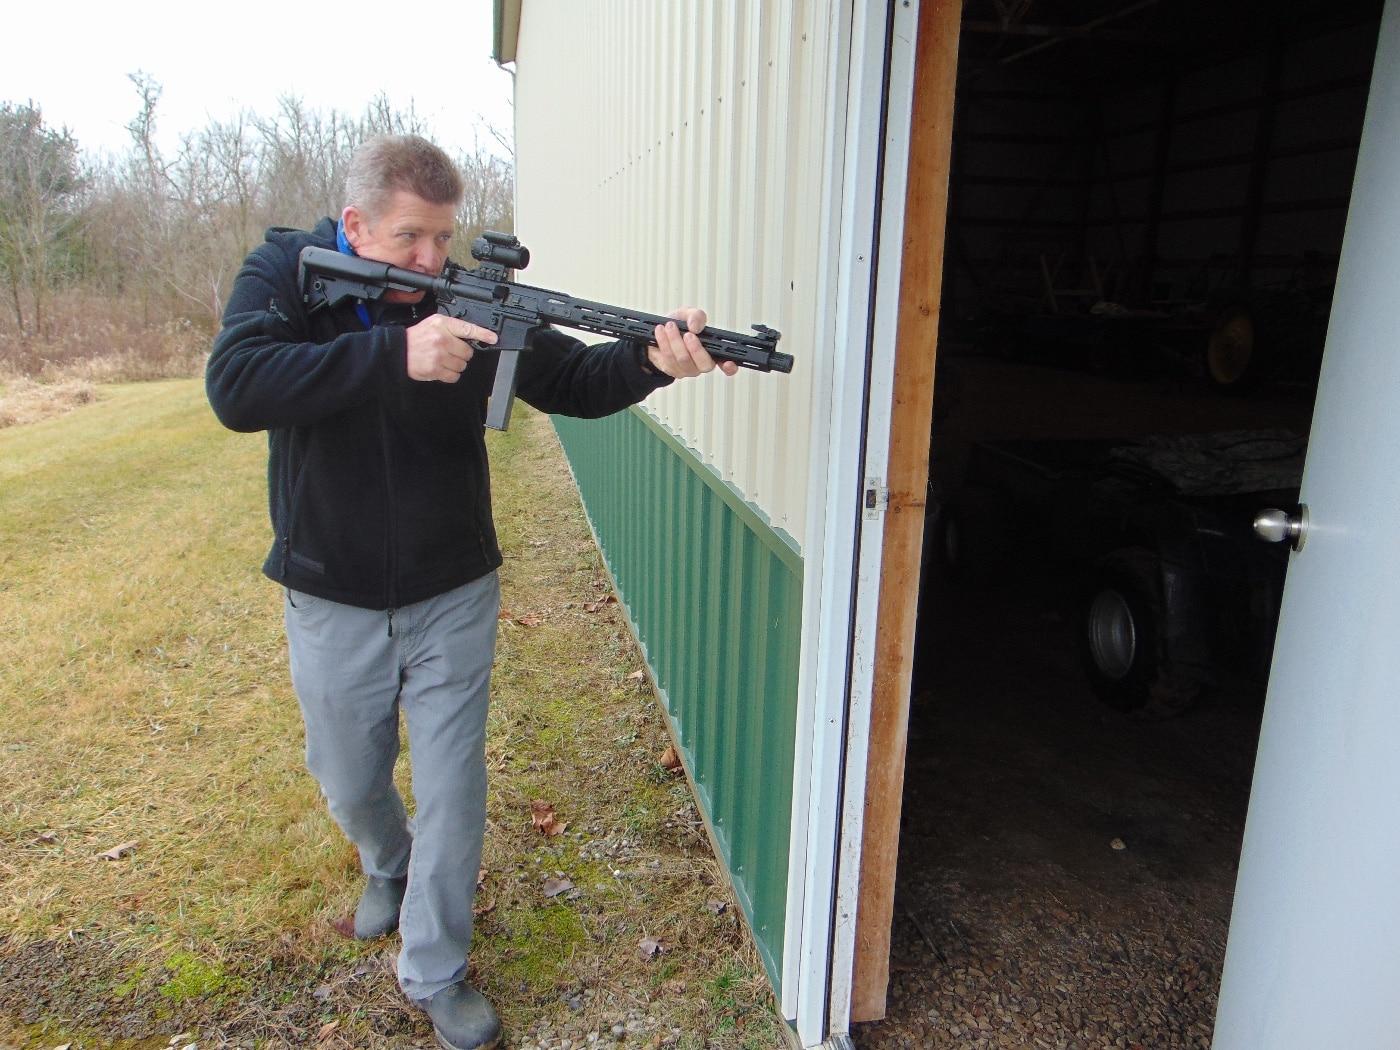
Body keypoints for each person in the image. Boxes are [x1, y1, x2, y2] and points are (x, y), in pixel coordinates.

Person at [205, 134, 734, 1050]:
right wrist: (394, 358)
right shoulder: (286, 272)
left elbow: (571, 377)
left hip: (453, 588)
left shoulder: (464, 301)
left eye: (442, 238)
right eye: (411, 238)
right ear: (356, 224)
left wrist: (656, 361)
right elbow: (236, 386)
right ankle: (384, 863)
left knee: (453, 786)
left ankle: (436, 968)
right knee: (348, 776)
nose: (429, 261)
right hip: (331, 590)